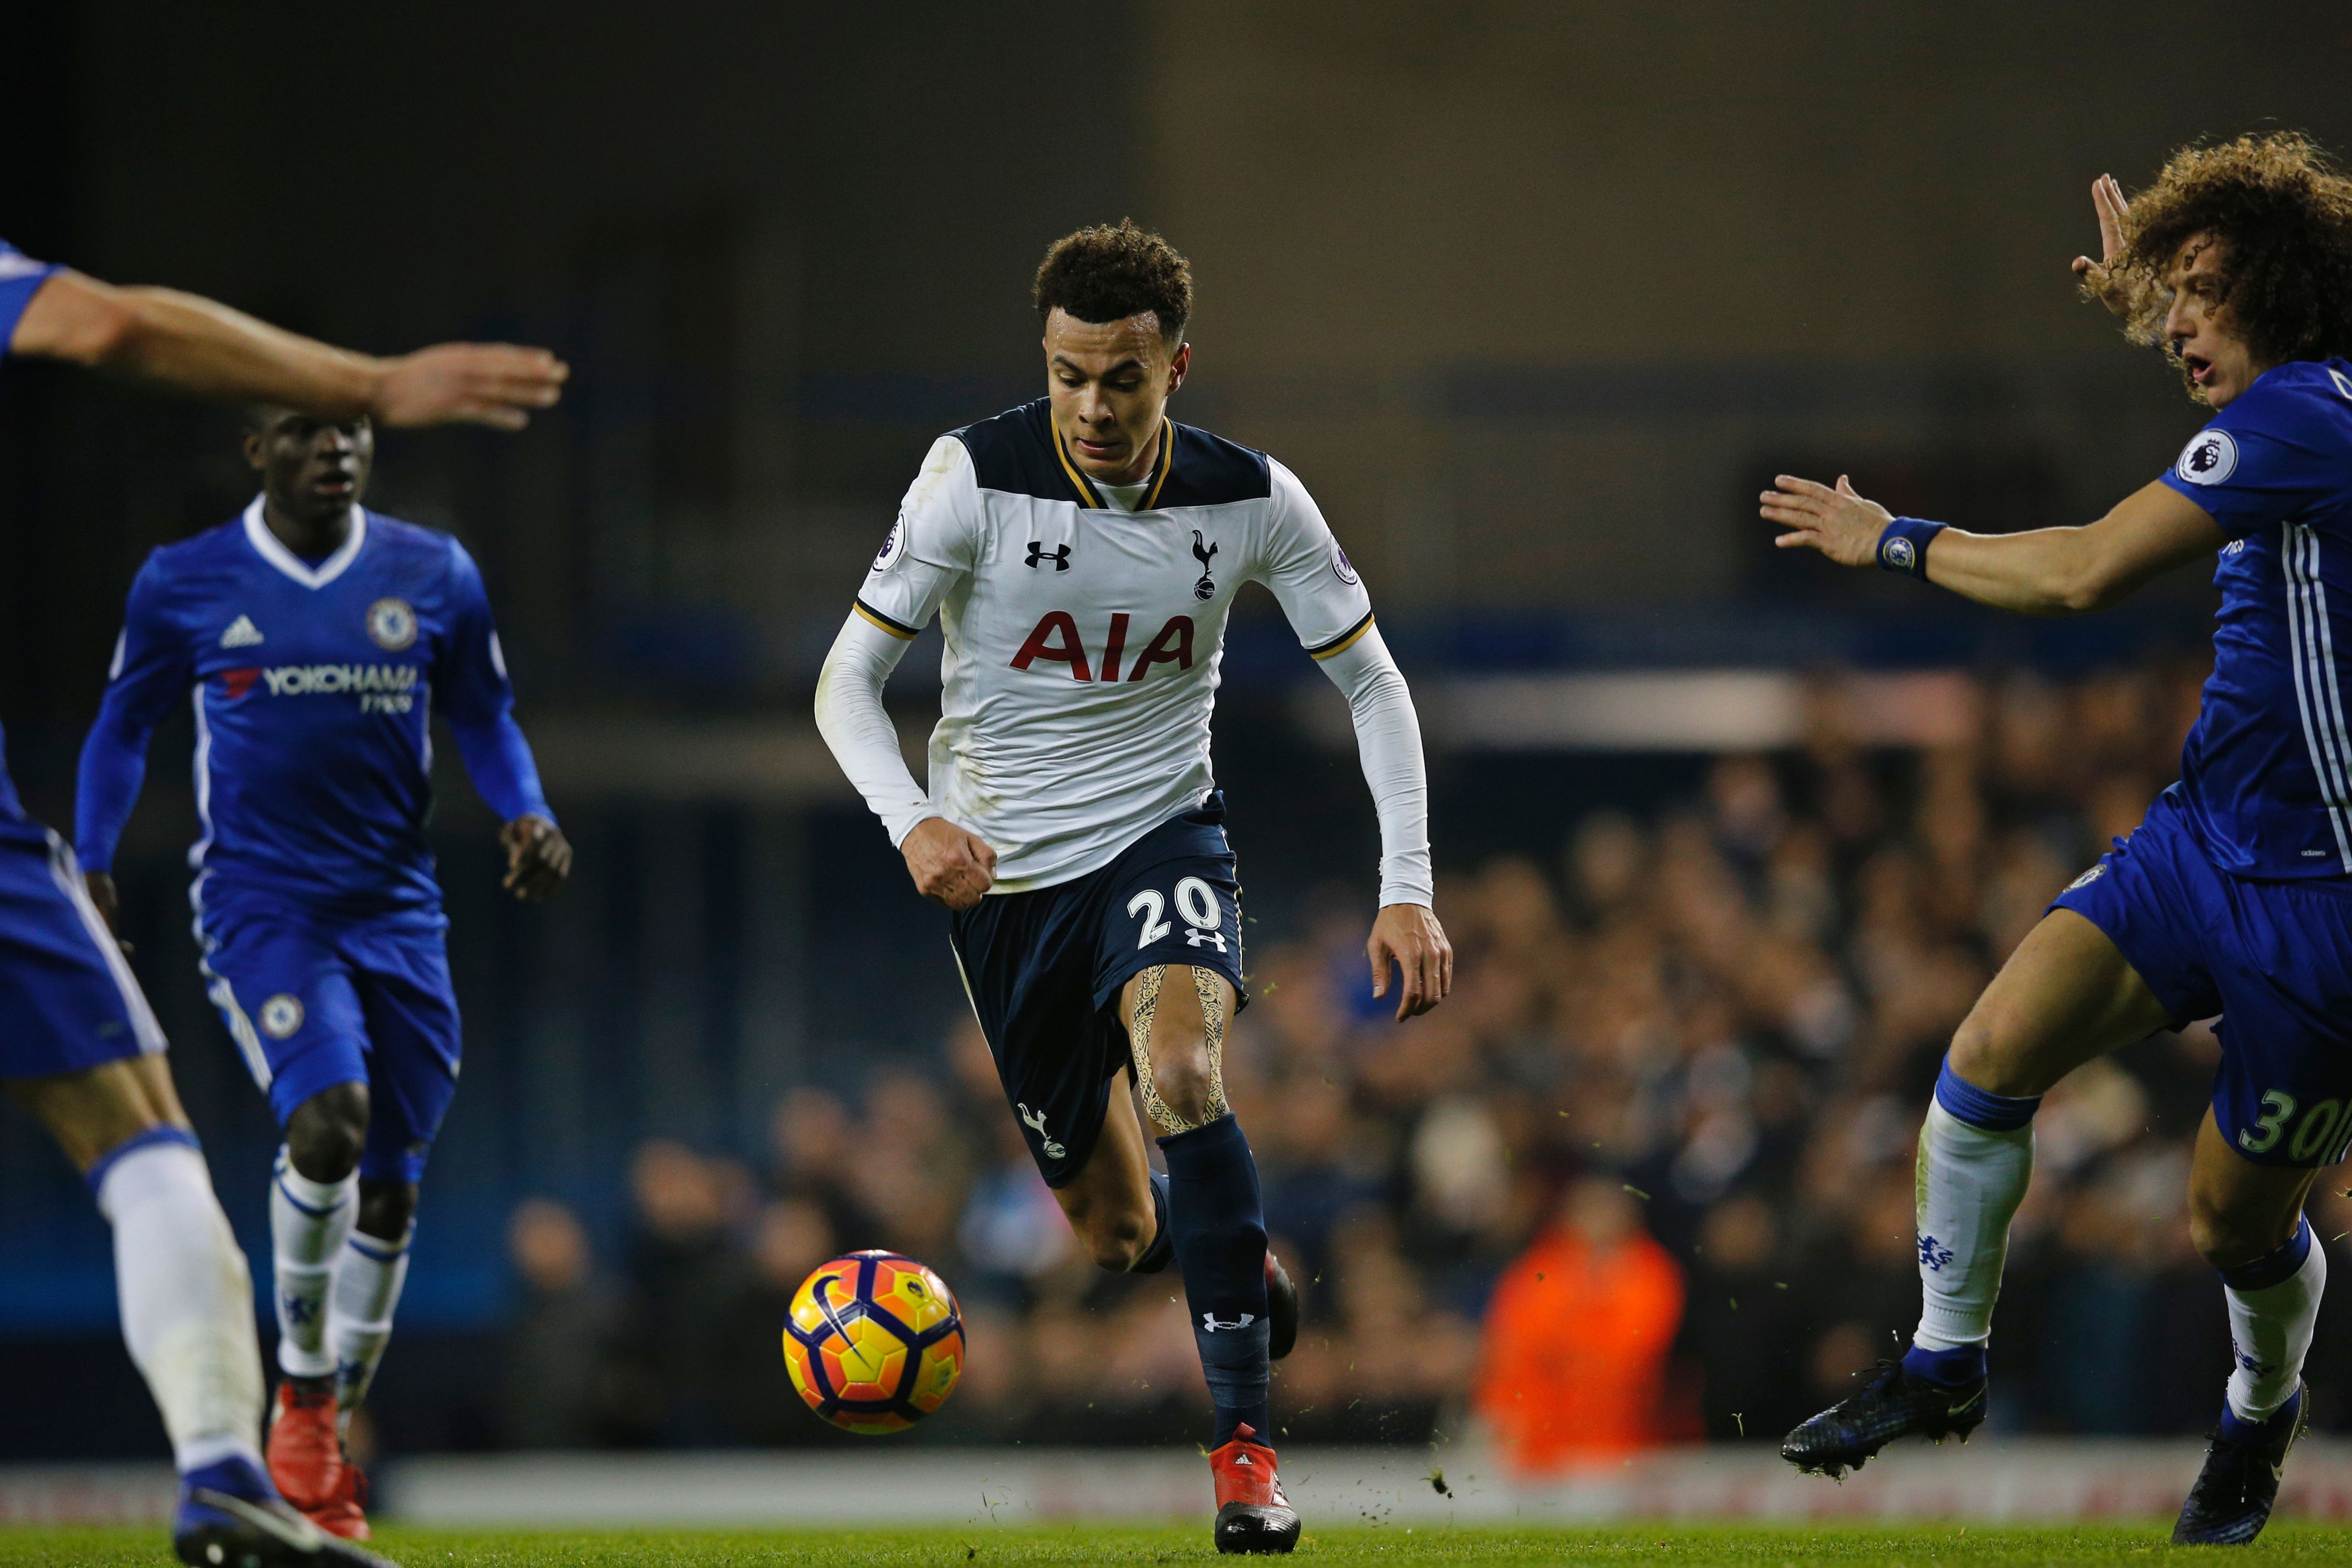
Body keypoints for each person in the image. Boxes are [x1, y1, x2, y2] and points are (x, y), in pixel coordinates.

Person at [816, 220, 1451, 1554]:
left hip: (1164, 840)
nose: (1093, 407)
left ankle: (1243, 1458)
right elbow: (846, 684)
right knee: (1111, 1233)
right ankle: (1226, 1253)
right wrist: (912, 818)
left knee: (1181, 1074)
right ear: (1042, 362)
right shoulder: (968, 483)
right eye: (1068, 376)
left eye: (1124, 378)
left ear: (1178, 367)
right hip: (1001, 887)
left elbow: (1373, 680)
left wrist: (1408, 884)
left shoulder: (1255, 499)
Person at [1764, 132, 2352, 1546]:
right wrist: (2162, 317)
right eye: (2181, 293)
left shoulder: (2309, 422)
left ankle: (2260, 1407)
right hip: (2204, 837)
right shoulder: (2297, 415)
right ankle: (1944, 1361)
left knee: (2229, 1228)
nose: (2181, 317)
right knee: (1985, 1055)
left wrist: (1895, 540)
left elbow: (2086, 569)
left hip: (2327, 917)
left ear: (2279, 293)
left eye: (2205, 291)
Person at [1, 239, 562, 1567]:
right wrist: (371, 376)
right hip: (262, 902)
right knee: (155, 1139)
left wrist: (526, 808)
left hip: (398, 908)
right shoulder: (187, 578)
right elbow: (111, 326)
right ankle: (218, 1468)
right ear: (255, 444)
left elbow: (485, 711)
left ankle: (296, 1420)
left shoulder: (433, 571)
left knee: (380, 1177)